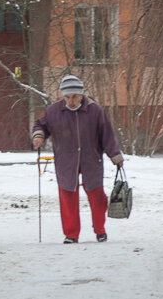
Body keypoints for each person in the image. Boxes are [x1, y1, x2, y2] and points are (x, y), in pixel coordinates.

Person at [32, 75, 124, 243]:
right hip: (66, 160)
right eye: (67, 97)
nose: (71, 101)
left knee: (97, 196)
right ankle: (71, 234)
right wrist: (39, 136)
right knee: (67, 196)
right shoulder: (53, 111)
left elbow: (107, 135)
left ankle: (100, 229)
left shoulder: (95, 111)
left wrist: (116, 156)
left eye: (74, 96)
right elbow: (41, 125)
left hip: (91, 159)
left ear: (81, 94)